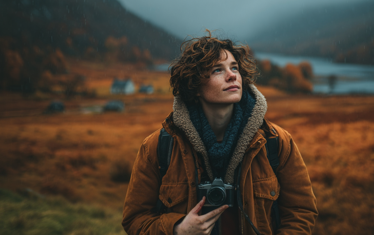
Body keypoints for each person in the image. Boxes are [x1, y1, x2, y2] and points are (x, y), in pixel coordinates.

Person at [122, 32, 318, 235]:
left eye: (234, 67)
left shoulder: (276, 142)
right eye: (218, 70)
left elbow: (301, 212)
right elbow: (135, 220)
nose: (232, 75)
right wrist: (177, 229)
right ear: (195, 85)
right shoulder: (159, 147)